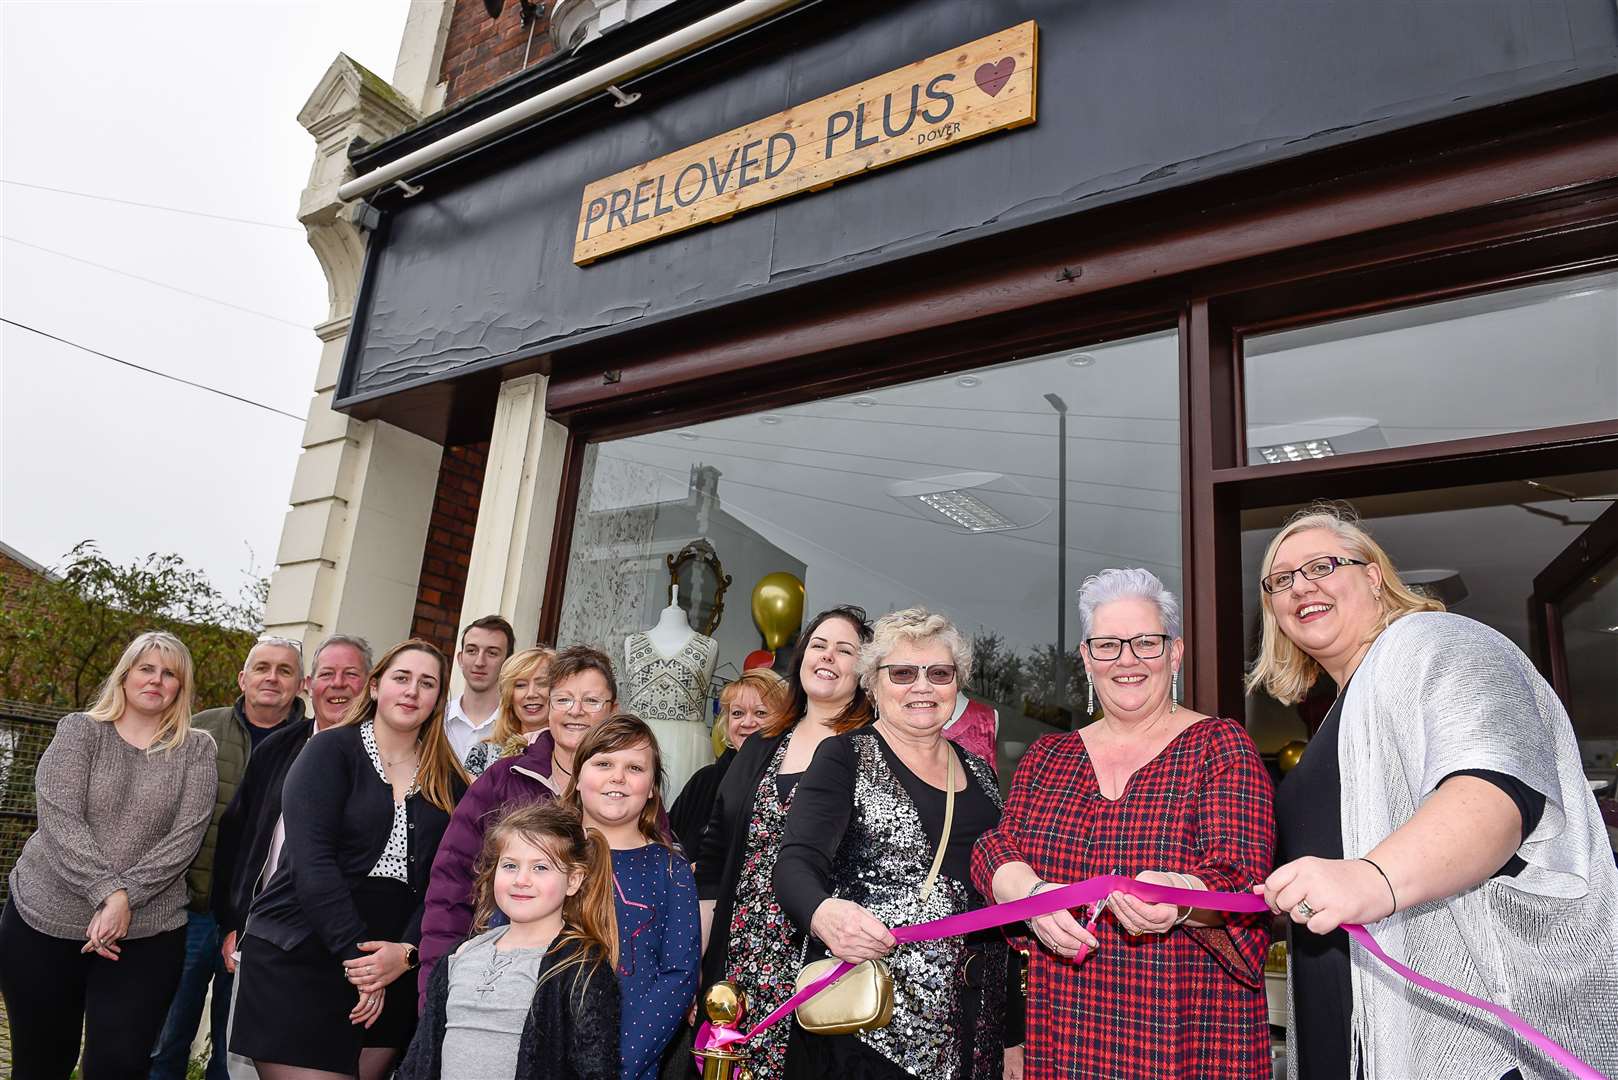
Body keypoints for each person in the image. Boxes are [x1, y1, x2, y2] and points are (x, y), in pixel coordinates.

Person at [1249, 504, 1618, 1080]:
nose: (1301, 587)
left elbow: (1494, 794)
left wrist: (1371, 878)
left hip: (1461, 1042)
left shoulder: (1437, 644)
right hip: (1345, 1032)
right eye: (1281, 580)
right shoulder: (1334, 720)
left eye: (1322, 565)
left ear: (1373, 575)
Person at [973, 569, 1274, 1080]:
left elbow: (1240, 878)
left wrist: (1181, 896)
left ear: (1174, 653)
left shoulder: (1219, 746)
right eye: (1108, 645)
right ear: (1088, 660)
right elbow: (995, 848)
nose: (1127, 659)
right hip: (1063, 1034)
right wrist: (1033, 894)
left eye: (1145, 643)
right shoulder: (1048, 756)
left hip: (1185, 1036)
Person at [776, 608, 1019, 1079]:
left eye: (939, 673)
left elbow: (999, 907)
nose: (922, 686)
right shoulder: (844, 755)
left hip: (976, 1028)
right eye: (903, 672)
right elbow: (795, 864)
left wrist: (1013, 1036)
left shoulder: (984, 776)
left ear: (957, 684)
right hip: (871, 1024)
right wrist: (824, 915)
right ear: (872, 683)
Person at [231, 639, 469, 1080]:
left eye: (427, 683)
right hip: (302, 955)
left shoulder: (450, 781)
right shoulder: (329, 752)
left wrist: (407, 952)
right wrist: (360, 964)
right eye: (401, 678)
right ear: (376, 687)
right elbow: (312, 862)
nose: (412, 691)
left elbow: (450, 882)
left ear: (439, 700)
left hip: (392, 965)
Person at [0, 631, 218, 1079]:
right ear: (125, 675)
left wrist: (126, 900)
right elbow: (59, 818)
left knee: (117, 1066)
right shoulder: (80, 731)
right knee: (41, 1063)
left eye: (169, 673)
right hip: (44, 919)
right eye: (146, 669)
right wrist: (110, 893)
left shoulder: (196, 749)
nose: (156, 680)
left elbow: (185, 838)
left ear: (181, 686)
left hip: (148, 931)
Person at [694, 605, 873, 1080]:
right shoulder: (759, 746)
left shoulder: (874, 752)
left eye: (845, 649)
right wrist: (697, 961)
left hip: (819, 959)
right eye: (819, 645)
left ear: (865, 669)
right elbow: (712, 866)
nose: (828, 657)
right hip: (739, 953)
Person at [419, 645, 619, 1000]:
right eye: (563, 699)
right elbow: (451, 883)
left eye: (591, 701)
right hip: (496, 978)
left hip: (589, 983)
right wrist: (436, 986)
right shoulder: (504, 779)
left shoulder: (627, 791)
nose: (575, 711)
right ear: (549, 706)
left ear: (612, 711)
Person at [213, 634, 372, 1080]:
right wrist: (233, 920)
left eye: (352, 674)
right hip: (266, 939)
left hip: (344, 946)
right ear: (309, 684)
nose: (338, 685)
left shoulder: (388, 759)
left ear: (371, 684)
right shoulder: (278, 748)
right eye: (327, 674)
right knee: (240, 1069)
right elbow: (238, 838)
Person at [153, 635, 306, 1080]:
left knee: (234, 1052)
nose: (271, 678)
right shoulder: (197, 729)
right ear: (243, 678)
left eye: (284, 670)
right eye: (262, 668)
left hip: (261, 925)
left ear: (301, 684)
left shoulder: (314, 744)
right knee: (165, 1039)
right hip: (189, 911)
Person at [399, 800, 621, 1080]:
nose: (521, 880)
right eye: (510, 866)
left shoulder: (579, 966)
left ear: (574, 880)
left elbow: (596, 1068)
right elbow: (419, 1057)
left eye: (540, 868)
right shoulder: (462, 954)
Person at [566, 715, 700, 1080]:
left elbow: (678, 975)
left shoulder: (670, 869)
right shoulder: (547, 856)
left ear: (653, 788)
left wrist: (616, 1063)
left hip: (628, 1062)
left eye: (635, 767)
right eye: (604, 763)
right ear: (578, 777)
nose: (618, 777)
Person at [667, 668, 787, 859]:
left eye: (760, 713)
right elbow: (668, 840)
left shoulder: (791, 786)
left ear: (785, 721)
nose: (747, 722)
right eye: (738, 713)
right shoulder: (704, 780)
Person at [464, 646, 557, 777]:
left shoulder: (572, 753)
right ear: (509, 696)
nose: (531, 694)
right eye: (520, 685)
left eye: (542, 683)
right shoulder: (483, 754)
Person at [443, 615, 516, 766]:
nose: (479, 662)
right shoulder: (436, 719)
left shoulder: (518, 726)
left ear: (508, 662)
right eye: (471, 651)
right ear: (460, 658)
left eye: (492, 653)